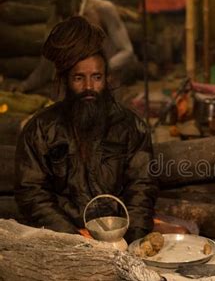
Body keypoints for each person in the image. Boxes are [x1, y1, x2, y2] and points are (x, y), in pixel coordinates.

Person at [14, 16, 157, 243]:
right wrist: (74, 241)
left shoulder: (132, 128)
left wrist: (133, 243)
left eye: (96, 77)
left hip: (118, 235)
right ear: (66, 80)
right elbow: (33, 194)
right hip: (64, 240)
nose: (89, 87)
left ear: (107, 79)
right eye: (79, 78)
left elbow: (141, 189)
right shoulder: (40, 130)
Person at [11, 0, 137, 94]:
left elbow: (127, 51)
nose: (60, 5)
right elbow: (46, 66)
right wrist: (24, 86)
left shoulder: (101, 9)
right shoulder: (56, 20)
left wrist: (99, 70)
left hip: (106, 88)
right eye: (56, 2)